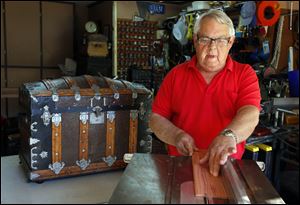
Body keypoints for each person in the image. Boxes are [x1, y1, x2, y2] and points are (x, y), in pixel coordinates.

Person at [149, 9, 261, 177]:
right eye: (205, 39)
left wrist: (228, 135)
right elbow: (156, 118)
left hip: (225, 166)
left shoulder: (244, 74)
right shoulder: (176, 75)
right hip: (181, 165)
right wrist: (176, 135)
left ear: (230, 42)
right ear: (195, 41)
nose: (212, 47)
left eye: (221, 40)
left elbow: (251, 113)